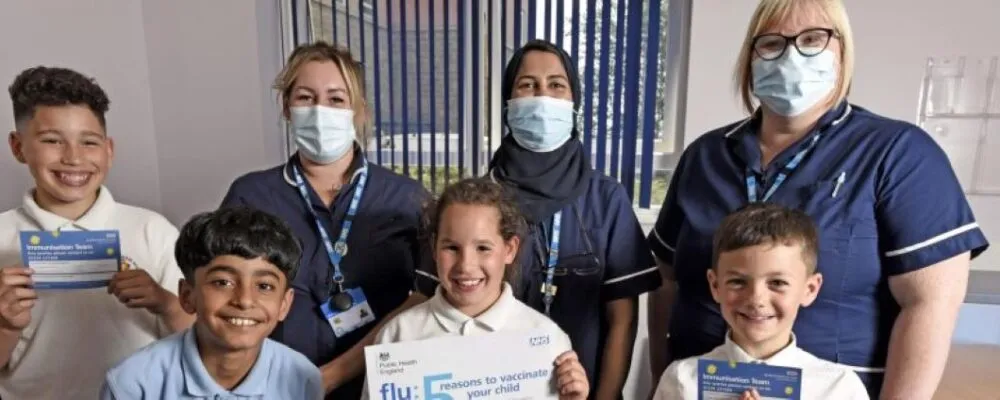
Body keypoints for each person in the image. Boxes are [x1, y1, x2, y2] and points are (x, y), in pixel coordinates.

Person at [646, 1, 989, 398]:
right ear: (749, 59)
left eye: (812, 40)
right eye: (772, 44)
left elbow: (932, 303)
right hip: (700, 386)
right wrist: (660, 381)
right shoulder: (705, 155)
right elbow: (666, 281)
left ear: (842, 53)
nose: (791, 56)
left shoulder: (898, 154)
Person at [415, 39, 661, 399]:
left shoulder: (606, 198)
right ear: (508, 103)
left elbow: (622, 320)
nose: (542, 96)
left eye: (556, 85)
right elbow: (432, 303)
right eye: (527, 85)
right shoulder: (475, 202)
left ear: (574, 104)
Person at [219, 42, 430, 399]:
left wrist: (330, 376)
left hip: (382, 385)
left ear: (358, 110)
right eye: (305, 97)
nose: (320, 111)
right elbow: (222, 293)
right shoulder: (251, 196)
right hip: (274, 387)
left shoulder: (406, 198)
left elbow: (424, 300)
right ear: (287, 107)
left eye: (335, 99)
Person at [0, 66, 193, 399]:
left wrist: (165, 303)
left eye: (89, 142)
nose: (74, 158)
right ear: (18, 147)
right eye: (52, 141)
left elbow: (205, 343)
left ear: (109, 150)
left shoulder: (153, 231)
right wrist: (5, 325)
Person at [367, 178, 589, 400]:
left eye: (483, 248)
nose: (466, 265)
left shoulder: (547, 339)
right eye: (452, 247)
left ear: (509, 249)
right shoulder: (397, 336)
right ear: (434, 247)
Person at [100, 207, 323, 399]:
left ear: (284, 304)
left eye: (264, 286)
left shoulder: (303, 379)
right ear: (188, 296)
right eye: (222, 282)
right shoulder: (132, 383)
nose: (244, 300)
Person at [652, 203, 868, 400]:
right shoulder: (681, 380)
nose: (756, 299)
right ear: (715, 285)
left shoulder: (839, 388)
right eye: (737, 282)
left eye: (777, 282)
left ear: (809, 289)